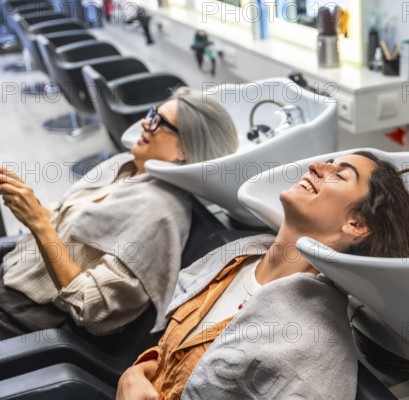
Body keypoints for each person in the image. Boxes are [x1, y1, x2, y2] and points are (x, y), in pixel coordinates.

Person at [116, 151, 409, 400]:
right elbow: (178, 350)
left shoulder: (313, 348)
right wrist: (138, 372)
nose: (316, 165)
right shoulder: (235, 259)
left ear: (356, 225)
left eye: (339, 175)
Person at [0, 87, 239, 339]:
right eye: (151, 114)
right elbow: (70, 231)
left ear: (186, 149)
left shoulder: (159, 210)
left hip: (33, 316)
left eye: (160, 122)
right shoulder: (124, 166)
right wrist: (28, 203)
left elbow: (91, 308)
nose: (146, 123)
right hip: (15, 276)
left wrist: (38, 223)